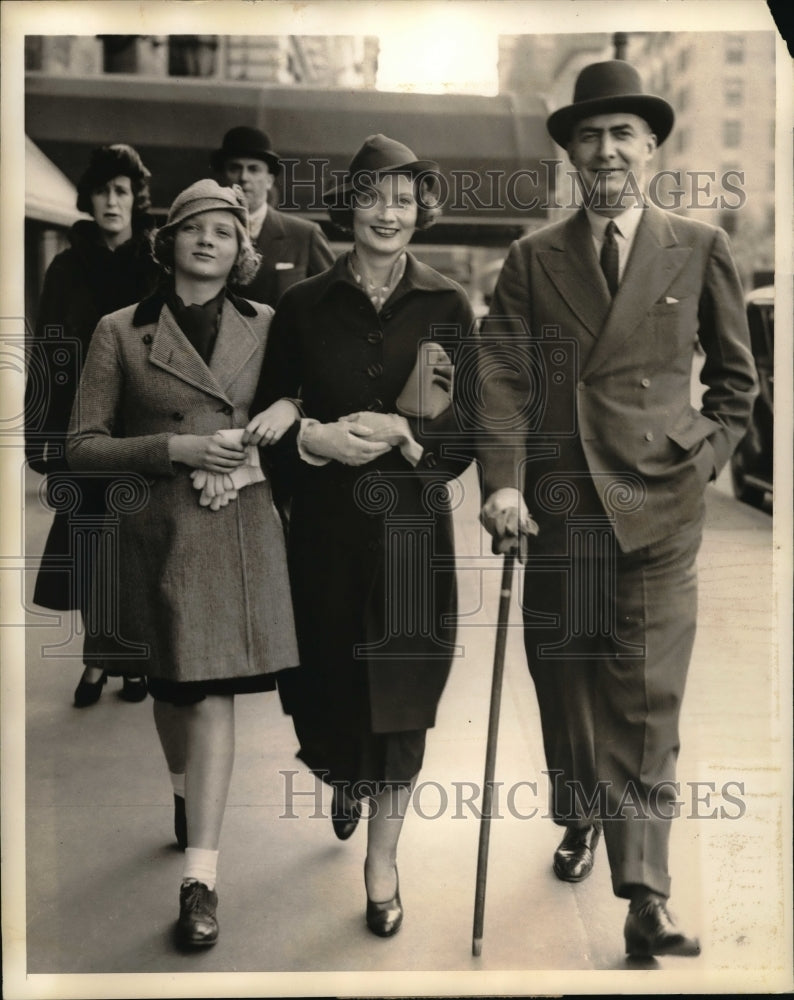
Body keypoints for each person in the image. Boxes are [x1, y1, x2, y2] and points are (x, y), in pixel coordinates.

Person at [477, 61, 757, 958]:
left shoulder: (702, 246)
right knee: (567, 695)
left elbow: (737, 389)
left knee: (646, 702)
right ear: (571, 153)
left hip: (657, 514)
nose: (607, 150)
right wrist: (504, 484)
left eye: (623, 133)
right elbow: (499, 380)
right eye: (590, 136)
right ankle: (580, 810)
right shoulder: (531, 258)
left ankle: (646, 894)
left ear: (651, 147)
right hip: (557, 515)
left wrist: (696, 458)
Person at [246, 134, 475, 938]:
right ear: (350, 205)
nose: (389, 212)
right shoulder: (305, 305)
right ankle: (339, 768)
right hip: (327, 540)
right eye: (375, 195)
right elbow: (269, 414)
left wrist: (407, 439)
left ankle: (383, 865)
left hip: (412, 538)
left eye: (405, 199)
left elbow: (461, 435)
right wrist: (315, 437)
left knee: (404, 703)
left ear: (422, 212)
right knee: (326, 703)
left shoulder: (447, 305)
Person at [66, 180, 300, 949]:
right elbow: (81, 448)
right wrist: (176, 449)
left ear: (241, 253)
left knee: (208, 695)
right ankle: (181, 790)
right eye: (193, 228)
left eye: (225, 233)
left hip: (235, 536)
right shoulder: (118, 331)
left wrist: (280, 424)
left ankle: (201, 877)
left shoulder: (270, 324)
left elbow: (303, 407)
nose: (208, 240)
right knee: (174, 691)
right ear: (168, 243)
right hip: (154, 539)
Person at [25, 143, 160, 707]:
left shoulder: (154, 262)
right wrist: (44, 439)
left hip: (140, 427)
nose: (111, 201)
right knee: (93, 548)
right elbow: (48, 351)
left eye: (122, 191)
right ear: (90, 198)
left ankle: (129, 663)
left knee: (137, 549)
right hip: (83, 430)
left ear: (135, 200)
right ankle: (98, 661)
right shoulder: (67, 265)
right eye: (103, 190)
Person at [211, 125, 335, 307]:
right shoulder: (206, 234)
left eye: (254, 169)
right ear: (222, 177)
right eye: (234, 168)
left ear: (269, 180)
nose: (244, 177)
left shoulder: (304, 235)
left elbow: (335, 299)